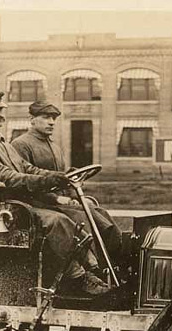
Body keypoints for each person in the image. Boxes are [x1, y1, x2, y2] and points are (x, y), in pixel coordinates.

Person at [0, 91, 108, 296]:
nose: (1, 114)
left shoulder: (0, 141)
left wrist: (58, 176)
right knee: (57, 220)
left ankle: (94, 268)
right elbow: (6, 176)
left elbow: (27, 168)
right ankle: (78, 277)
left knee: (73, 216)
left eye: (2, 109)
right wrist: (47, 180)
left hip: (18, 204)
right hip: (3, 210)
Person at [11, 101, 123, 267]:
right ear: (32, 120)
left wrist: (73, 197)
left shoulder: (55, 146)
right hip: (38, 204)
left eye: (54, 118)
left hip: (59, 202)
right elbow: (23, 183)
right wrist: (55, 199)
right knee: (82, 219)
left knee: (99, 213)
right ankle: (92, 270)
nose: (51, 122)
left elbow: (65, 179)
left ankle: (115, 262)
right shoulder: (21, 144)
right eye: (46, 117)